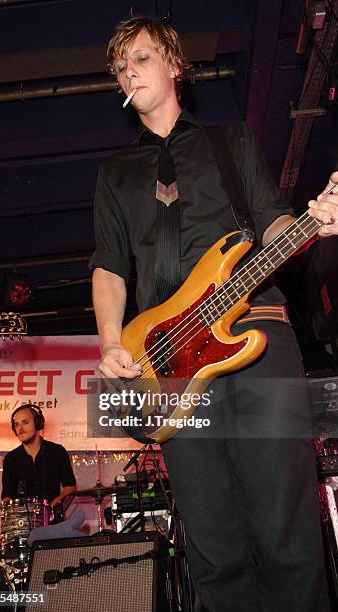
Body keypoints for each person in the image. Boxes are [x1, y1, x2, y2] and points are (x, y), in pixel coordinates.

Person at [90, 16, 338, 612]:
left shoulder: (232, 141)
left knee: (283, 527)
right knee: (213, 542)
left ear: (175, 66)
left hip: (255, 336)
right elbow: (108, 267)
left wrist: (315, 222)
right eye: (121, 65)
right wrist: (109, 343)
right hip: (168, 364)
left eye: (141, 58)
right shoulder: (115, 174)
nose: (129, 71)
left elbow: (273, 222)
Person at [2, 403, 77, 507]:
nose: (20, 428)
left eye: (25, 422)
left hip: (53, 520)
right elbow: (7, 495)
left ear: (38, 423)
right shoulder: (10, 459)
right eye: (16, 424)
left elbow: (70, 487)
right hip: (22, 521)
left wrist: (55, 504)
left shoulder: (57, 451)